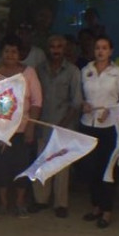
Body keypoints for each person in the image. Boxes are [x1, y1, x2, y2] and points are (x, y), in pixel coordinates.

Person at [79, 34, 119, 228]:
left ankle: (107, 210)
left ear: (111, 51)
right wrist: (83, 104)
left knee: (107, 169)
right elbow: (81, 96)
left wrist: (111, 110)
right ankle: (96, 206)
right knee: (91, 168)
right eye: (97, 48)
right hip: (88, 123)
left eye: (104, 48)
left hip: (109, 127)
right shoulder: (86, 70)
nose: (100, 51)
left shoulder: (118, 73)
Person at [0, 35, 43, 218]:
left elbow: (36, 102)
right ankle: (3, 205)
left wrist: (31, 127)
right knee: (0, 168)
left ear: (20, 54)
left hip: (22, 129)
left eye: (14, 51)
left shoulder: (28, 73)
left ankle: (20, 203)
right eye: (7, 51)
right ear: (1, 52)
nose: (10, 54)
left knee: (21, 167)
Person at [34, 34, 82, 218]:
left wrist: (61, 125)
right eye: (52, 46)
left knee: (61, 165)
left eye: (59, 47)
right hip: (42, 123)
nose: (56, 50)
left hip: (64, 125)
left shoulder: (73, 72)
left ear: (65, 49)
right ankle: (40, 200)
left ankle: (61, 203)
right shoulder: (39, 70)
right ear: (48, 48)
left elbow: (76, 103)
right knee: (42, 162)